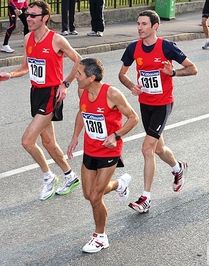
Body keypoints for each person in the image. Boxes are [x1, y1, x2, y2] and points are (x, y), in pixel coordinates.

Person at [0, 0, 82, 201]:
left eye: (33, 15)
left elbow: (78, 59)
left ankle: (48, 177)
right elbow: (26, 67)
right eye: (27, 15)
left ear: (45, 18)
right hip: (35, 93)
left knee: (27, 141)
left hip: (51, 94)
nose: (29, 18)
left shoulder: (56, 40)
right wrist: (10, 74)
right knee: (49, 142)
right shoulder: (28, 38)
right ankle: (70, 176)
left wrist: (65, 84)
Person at [118, 10, 198, 213]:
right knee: (159, 149)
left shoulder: (167, 47)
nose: (139, 28)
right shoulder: (133, 48)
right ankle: (178, 168)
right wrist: (131, 86)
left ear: (155, 26)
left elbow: (192, 68)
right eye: (138, 24)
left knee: (147, 149)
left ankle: (146, 198)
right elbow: (122, 74)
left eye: (144, 24)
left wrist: (172, 72)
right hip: (145, 104)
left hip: (163, 105)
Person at [67, 58, 139, 253]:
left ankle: (100, 236)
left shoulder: (112, 93)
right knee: (87, 194)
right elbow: (82, 112)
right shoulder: (82, 90)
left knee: (95, 196)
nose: (75, 76)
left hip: (109, 150)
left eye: (79, 74)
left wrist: (116, 136)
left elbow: (133, 118)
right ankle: (119, 184)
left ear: (91, 77)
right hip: (90, 149)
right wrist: (75, 137)